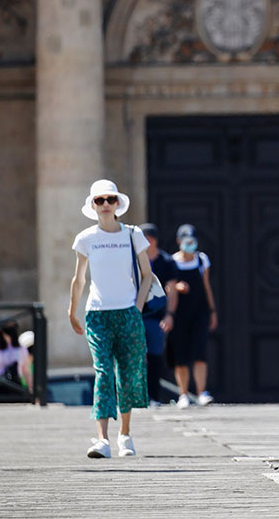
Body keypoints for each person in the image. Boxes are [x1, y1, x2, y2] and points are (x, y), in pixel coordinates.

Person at [68, 179, 151, 458]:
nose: (105, 204)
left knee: (126, 374)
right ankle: (102, 439)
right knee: (103, 371)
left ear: (117, 204)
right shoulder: (86, 238)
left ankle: (124, 435)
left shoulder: (133, 234)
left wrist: (137, 308)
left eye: (110, 199)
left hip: (128, 313)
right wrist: (72, 311)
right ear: (92, 205)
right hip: (97, 314)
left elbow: (147, 274)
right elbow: (79, 279)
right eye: (100, 200)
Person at [168, 224, 218, 408]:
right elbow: (167, 287)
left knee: (200, 352)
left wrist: (212, 310)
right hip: (179, 312)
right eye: (186, 241)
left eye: (192, 241)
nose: (189, 245)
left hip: (199, 311)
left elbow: (206, 285)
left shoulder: (202, 260)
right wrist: (177, 287)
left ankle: (201, 392)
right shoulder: (172, 261)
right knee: (180, 354)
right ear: (179, 241)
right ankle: (183, 394)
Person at [139, 223, 180, 406]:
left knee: (155, 357)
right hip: (137, 315)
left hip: (156, 316)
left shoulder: (166, 262)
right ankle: (137, 396)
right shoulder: (133, 260)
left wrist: (169, 314)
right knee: (135, 357)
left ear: (154, 240)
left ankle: (153, 396)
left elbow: (171, 290)